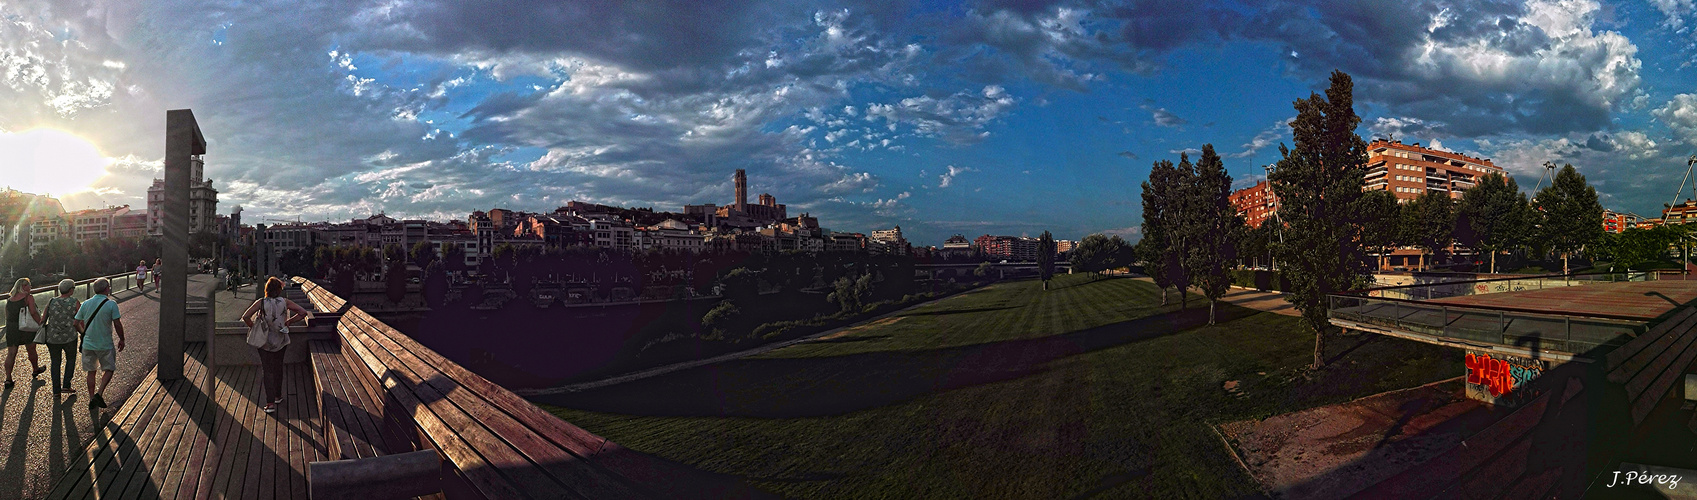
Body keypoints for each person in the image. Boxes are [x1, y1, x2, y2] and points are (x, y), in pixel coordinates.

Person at [241, 277, 309, 414]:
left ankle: (270, 403)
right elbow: (303, 313)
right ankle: (278, 396)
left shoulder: (261, 302)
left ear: (266, 289)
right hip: (281, 340)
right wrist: (288, 322)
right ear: (279, 290)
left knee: (267, 370)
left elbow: (246, 316)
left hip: (264, 341)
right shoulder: (285, 302)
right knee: (278, 367)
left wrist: (254, 327)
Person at [74, 278, 125, 409]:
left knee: (91, 372)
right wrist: (122, 339)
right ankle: (99, 393)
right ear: (107, 288)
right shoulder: (111, 304)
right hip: (105, 344)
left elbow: (76, 322)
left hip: (88, 344)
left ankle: (92, 398)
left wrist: (83, 333)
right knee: (109, 368)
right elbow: (117, 323)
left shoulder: (86, 303)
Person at [40, 279, 82, 396]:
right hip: (70, 337)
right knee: (70, 360)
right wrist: (83, 333)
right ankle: (66, 385)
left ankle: (56, 391)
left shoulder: (51, 301)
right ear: (71, 290)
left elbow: (43, 320)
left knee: (55, 363)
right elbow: (79, 321)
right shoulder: (75, 302)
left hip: (52, 338)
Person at [4, 277, 45, 388]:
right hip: (26, 328)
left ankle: (8, 378)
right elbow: (33, 312)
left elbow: (7, 315)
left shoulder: (10, 299)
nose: (30, 287)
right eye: (29, 285)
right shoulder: (28, 298)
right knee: (31, 349)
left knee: (11, 353)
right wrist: (40, 323)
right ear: (23, 286)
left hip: (12, 328)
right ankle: (35, 369)